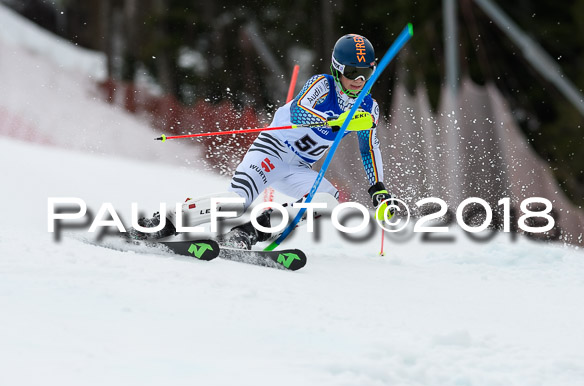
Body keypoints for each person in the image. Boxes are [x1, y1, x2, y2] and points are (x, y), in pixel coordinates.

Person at [130, 34, 397, 248]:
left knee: (327, 201)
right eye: (352, 72)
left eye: (366, 73)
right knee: (235, 203)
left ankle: (249, 232)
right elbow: (300, 110)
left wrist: (378, 189)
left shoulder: (368, 108)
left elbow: (369, 148)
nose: (359, 81)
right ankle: (166, 221)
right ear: (337, 70)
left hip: (299, 168)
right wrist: (335, 120)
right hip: (272, 151)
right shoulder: (321, 85)